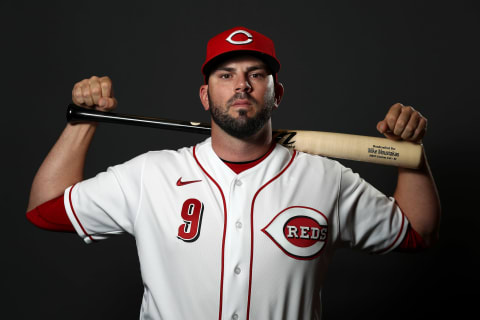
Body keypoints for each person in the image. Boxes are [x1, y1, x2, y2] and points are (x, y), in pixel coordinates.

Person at [26, 26, 441, 320]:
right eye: (226, 75)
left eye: (255, 75)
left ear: (276, 94)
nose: (241, 85)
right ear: (206, 96)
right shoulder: (150, 175)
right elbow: (45, 209)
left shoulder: (327, 179)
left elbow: (415, 232)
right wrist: (84, 123)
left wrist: (410, 154)